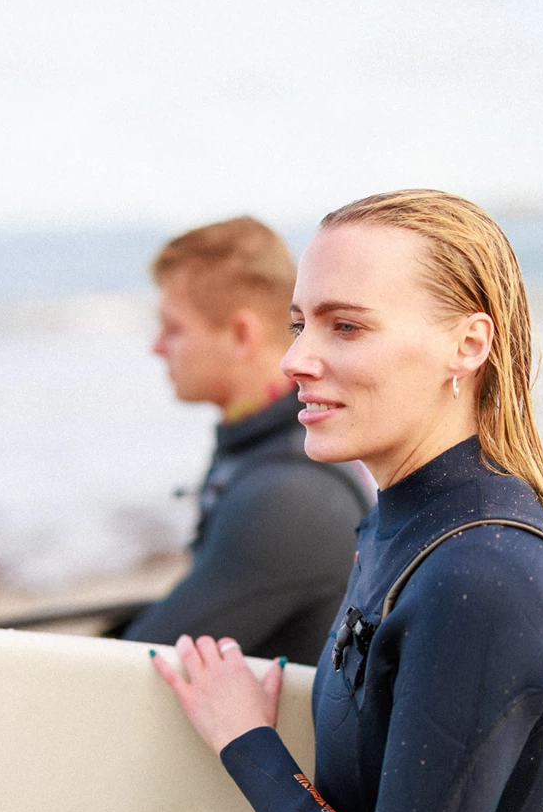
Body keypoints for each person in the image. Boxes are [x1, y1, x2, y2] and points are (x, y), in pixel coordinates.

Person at [150, 190, 543, 812]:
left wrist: (248, 742)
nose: (298, 357)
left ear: (469, 344)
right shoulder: (397, 527)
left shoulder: (484, 575)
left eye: (345, 327)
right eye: (301, 322)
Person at [121, 215, 373, 664]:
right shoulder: (267, 446)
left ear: (241, 335)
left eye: (173, 328)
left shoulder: (289, 495)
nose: (157, 346)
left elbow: (139, 664)